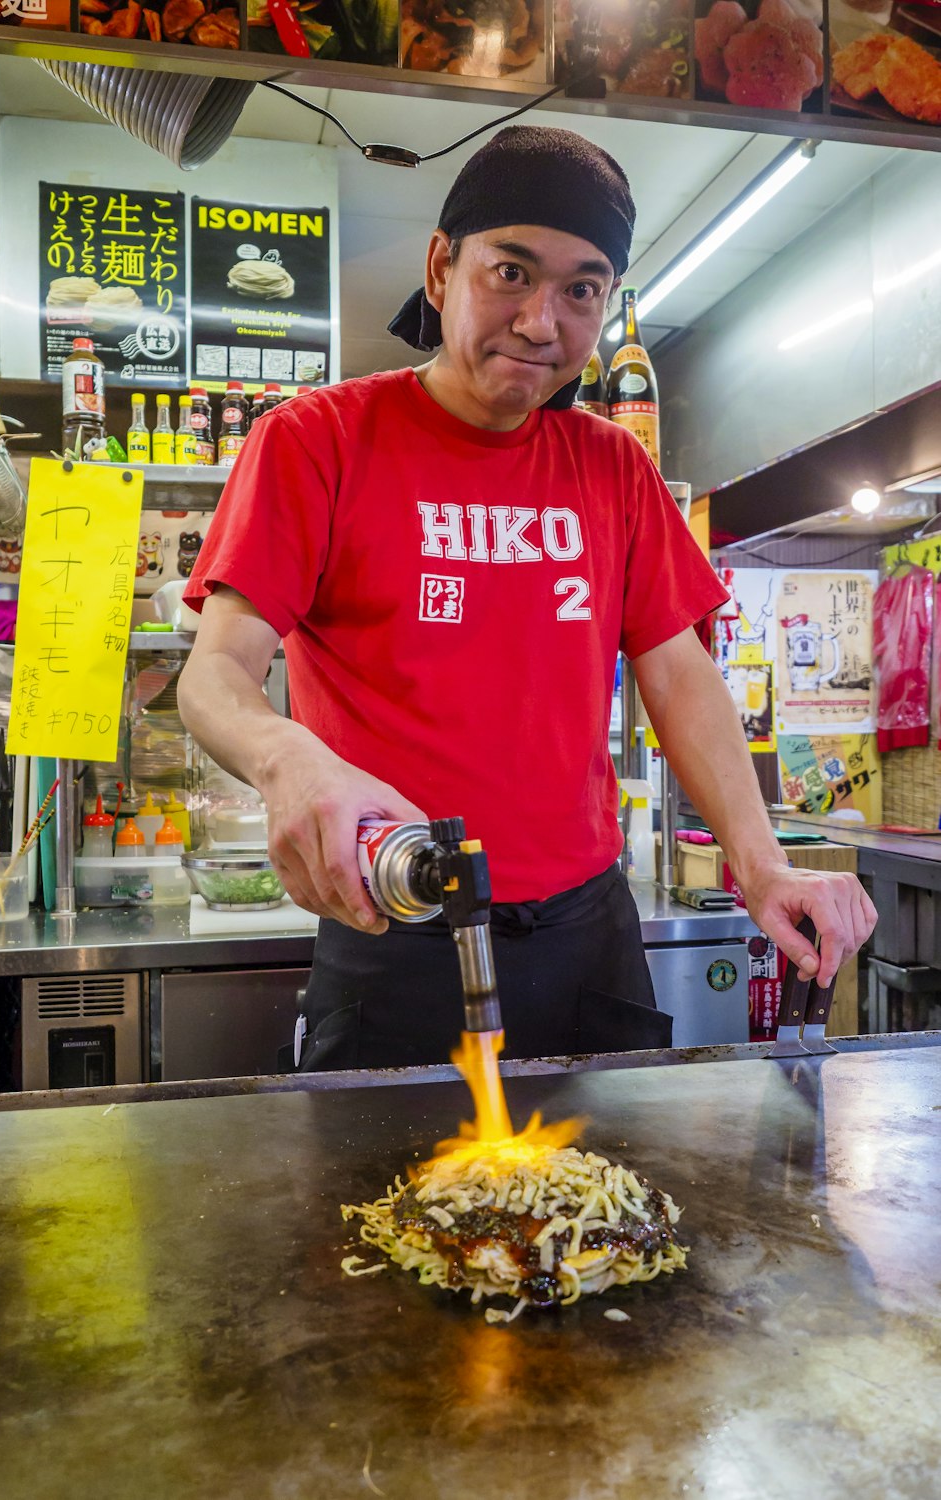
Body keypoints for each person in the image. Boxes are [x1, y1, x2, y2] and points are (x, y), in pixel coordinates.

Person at [179, 125, 876, 1070]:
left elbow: (678, 675)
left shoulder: (613, 466)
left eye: (580, 290)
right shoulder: (318, 441)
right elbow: (214, 671)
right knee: (379, 1214)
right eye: (510, 273)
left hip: (587, 935)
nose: (543, 322)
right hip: (397, 932)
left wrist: (761, 864)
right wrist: (285, 757)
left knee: (612, 1210)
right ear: (440, 267)